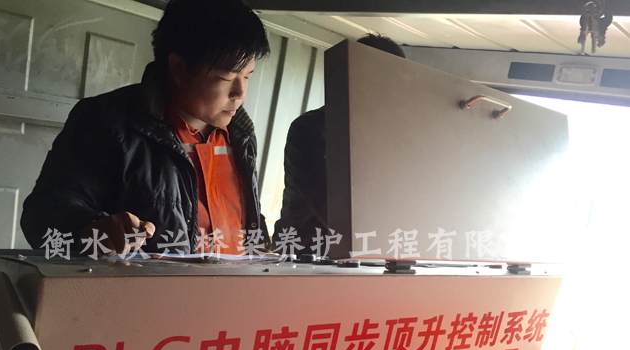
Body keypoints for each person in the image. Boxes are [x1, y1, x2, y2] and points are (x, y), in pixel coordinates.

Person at [21, 0, 270, 257]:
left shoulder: (240, 134)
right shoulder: (107, 121)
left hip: (232, 283)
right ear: (179, 68)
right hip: (140, 284)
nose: (240, 93)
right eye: (226, 78)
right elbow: (41, 216)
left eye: (247, 76)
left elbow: (241, 219)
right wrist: (92, 229)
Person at [272, 34, 406, 256]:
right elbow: (333, 210)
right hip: (306, 255)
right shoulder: (310, 129)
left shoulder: (390, 135)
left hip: (364, 253)